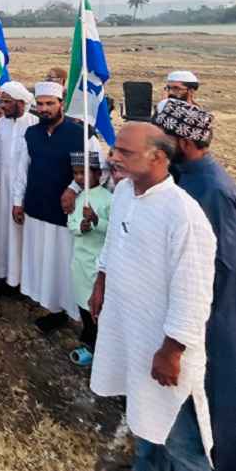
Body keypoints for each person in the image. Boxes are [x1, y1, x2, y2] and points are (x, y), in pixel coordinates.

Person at [90, 122, 216, 471]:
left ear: (158, 157)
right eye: (115, 148)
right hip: (132, 330)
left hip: (165, 346)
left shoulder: (183, 215)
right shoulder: (124, 192)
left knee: (179, 440)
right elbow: (113, 243)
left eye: (125, 152)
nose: (113, 157)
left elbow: (193, 292)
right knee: (142, 413)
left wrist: (171, 351)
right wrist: (101, 282)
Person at [154, 100, 236, 470]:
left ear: (184, 142)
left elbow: (218, 268)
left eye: (163, 137)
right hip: (182, 313)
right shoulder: (181, 176)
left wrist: (184, 329)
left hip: (208, 320)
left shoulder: (213, 190)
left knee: (207, 404)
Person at [12, 82, 99, 333]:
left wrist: (72, 188)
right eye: (40, 104)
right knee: (45, 264)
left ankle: (85, 321)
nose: (44, 109)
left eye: (50, 103)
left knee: (69, 267)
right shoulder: (31, 133)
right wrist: (18, 202)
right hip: (37, 208)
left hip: (66, 214)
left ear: (61, 104)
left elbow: (93, 171)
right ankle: (55, 310)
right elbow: (22, 170)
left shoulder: (79, 134)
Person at [0, 82, 38, 293]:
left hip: (28, 189)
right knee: (4, 232)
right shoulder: (1, 124)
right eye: (2, 101)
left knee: (23, 236)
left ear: (20, 102)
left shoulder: (34, 124)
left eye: (7, 102)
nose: (3, 105)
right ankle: (4, 276)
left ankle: (23, 281)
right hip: (4, 189)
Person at [65, 151, 110, 367]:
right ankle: (88, 337)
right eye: (76, 174)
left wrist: (96, 220)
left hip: (97, 264)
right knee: (82, 302)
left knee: (96, 307)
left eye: (84, 173)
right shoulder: (78, 198)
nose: (79, 178)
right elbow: (71, 224)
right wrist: (81, 227)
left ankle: (98, 347)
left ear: (98, 174)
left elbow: (113, 230)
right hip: (80, 263)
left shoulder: (109, 199)